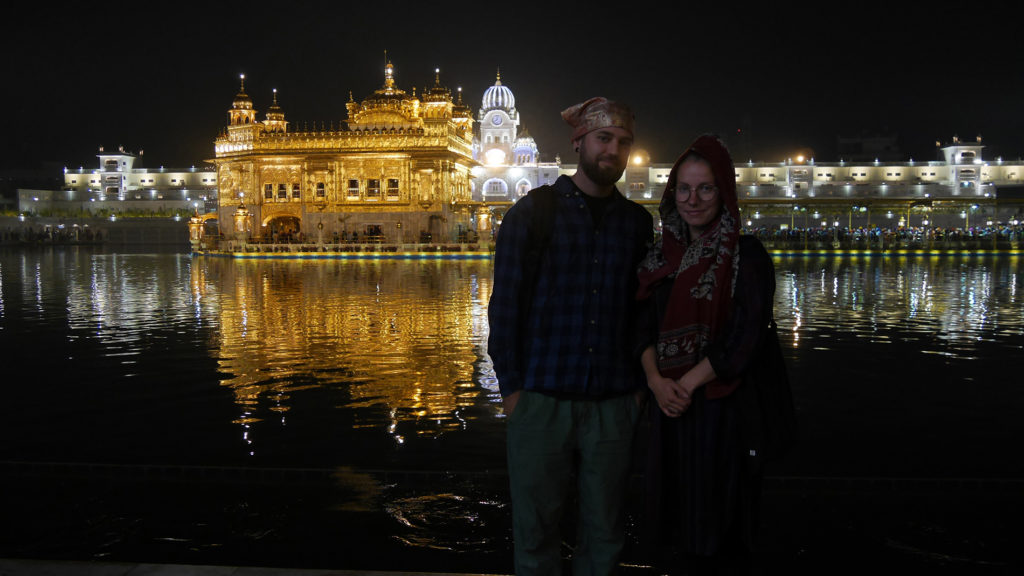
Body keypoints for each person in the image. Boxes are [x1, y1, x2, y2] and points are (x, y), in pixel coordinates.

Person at [488, 97, 653, 575]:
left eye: (623, 142)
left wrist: (638, 394)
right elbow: (506, 308)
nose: (614, 151)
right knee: (536, 534)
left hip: (614, 404)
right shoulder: (533, 213)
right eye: (604, 139)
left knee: (605, 534)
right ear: (578, 142)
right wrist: (513, 390)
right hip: (540, 400)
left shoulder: (636, 224)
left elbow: (644, 314)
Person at [636, 134, 777, 575]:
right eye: (683, 188)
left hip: (721, 410)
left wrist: (684, 385)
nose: (692, 200)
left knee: (719, 522)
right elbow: (639, 328)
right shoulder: (658, 259)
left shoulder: (745, 257)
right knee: (673, 519)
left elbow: (744, 337)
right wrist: (658, 383)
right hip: (668, 407)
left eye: (705, 188)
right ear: (671, 193)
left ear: (724, 192)